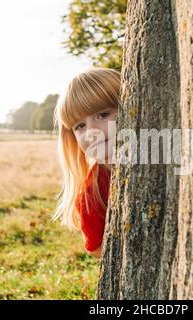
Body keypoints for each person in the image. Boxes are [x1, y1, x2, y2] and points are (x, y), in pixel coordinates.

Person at [52, 68, 120, 259]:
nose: (91, 131)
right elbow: (96, 248)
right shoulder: (92, 194)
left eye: (103, 115)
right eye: (80, 126)